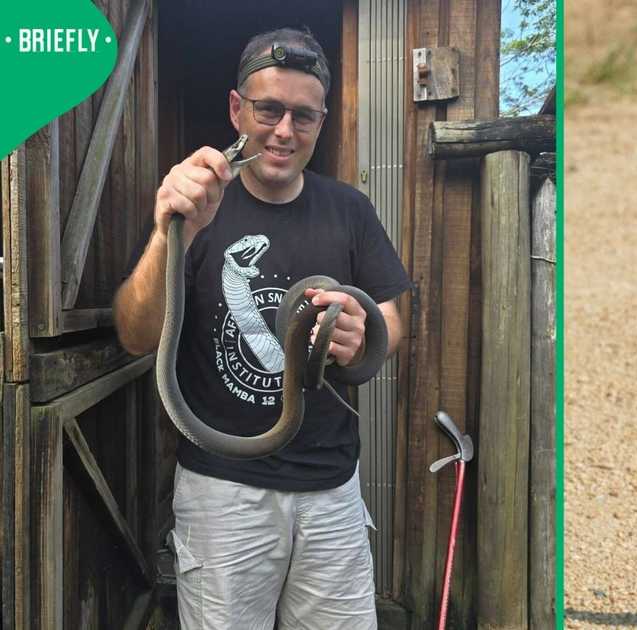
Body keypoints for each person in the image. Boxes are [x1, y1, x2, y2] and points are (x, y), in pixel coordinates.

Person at [112, 26, 409, 629]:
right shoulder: (197, 205)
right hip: (224, 494)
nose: (283, 130)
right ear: (236, 108)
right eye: (268, 109)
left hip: (331, 493)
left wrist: (363, 333)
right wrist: (172, 231)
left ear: (321, 123)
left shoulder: (349, 208)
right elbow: (136, 335)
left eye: (303, 116)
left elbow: (391, 314)